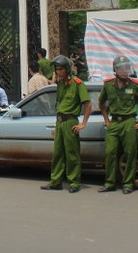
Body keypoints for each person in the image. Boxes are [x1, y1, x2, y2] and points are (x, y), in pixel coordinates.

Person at [98, 55, 138, 194]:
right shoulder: (108, 85)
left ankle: (128, 183)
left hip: (129, 122)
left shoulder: (134, 85)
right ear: (115, 70)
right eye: (121, 68)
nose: (125, 71)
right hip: (114, 122)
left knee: (130, 153)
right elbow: (101, 103)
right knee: (110, 152)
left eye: (126, 68)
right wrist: (106, 120)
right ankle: (109, 183)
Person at [41, 55, 91, 193]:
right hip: (60, 122)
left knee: (72, 154)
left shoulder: (77, 83)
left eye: (61, 69)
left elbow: (87, 104)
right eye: (57, 69)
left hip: (71, 121)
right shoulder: (61, 84)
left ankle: (74, 182)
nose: (58, 72)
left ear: (67, 69)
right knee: (57, 153)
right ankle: (55, 181)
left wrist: (83, 123)